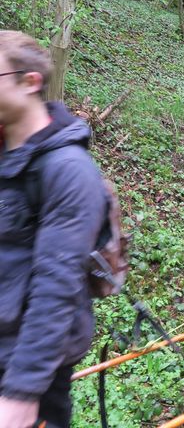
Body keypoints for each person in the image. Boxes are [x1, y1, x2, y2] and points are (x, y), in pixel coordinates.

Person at [0, 31, 106, 427]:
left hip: (27, 367)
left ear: (30, 82)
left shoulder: (68, 170)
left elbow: (57, 284)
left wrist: (22, 393)